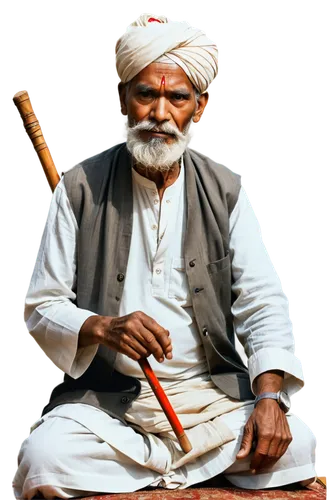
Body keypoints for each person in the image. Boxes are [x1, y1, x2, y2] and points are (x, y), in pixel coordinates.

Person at [11, 11, 319, 500]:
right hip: (112, 405)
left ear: (199, 109)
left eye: (176, 98)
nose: (159, 113)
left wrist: (267, 398)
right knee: (44, 458)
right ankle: (187, 471)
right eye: (145, 94)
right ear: (122, 101)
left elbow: (263, 301)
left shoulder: (226, 191)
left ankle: (151, 474)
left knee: (301, 443)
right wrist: (102, 328)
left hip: (212, 399)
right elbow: (41, 307)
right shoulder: (78, 189)